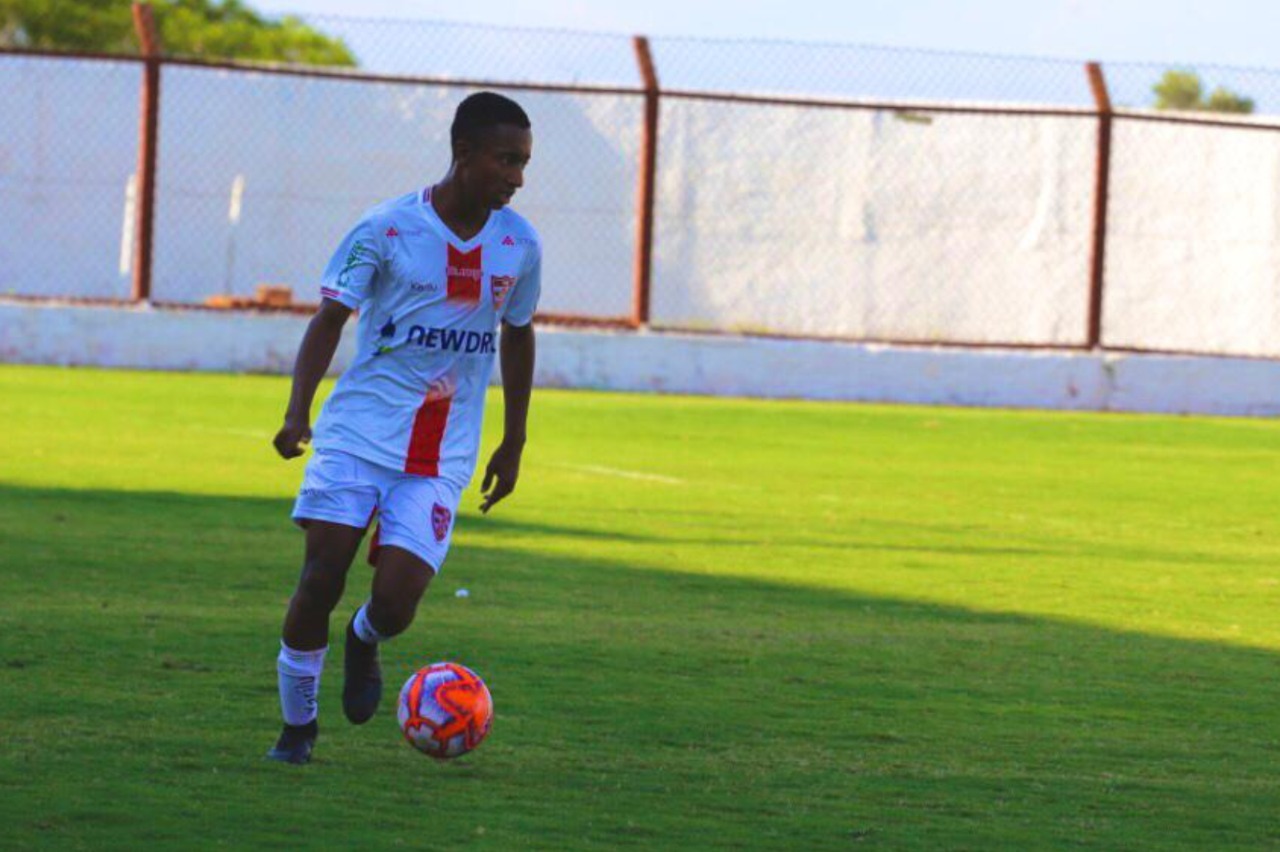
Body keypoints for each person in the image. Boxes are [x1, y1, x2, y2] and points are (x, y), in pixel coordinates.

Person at [266, 91, 539, 764]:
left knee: (396, 602)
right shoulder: (385, 228)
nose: (517, 177)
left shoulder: (519, 244)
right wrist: (298, 411)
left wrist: (515, 438)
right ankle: (297, 730)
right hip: (358, 437)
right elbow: (329, 318)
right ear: (465, 153)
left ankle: (364, 639)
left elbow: (520, 334)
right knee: (319, 579)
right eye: (507, 160)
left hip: (442, 450)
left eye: (524, 163)